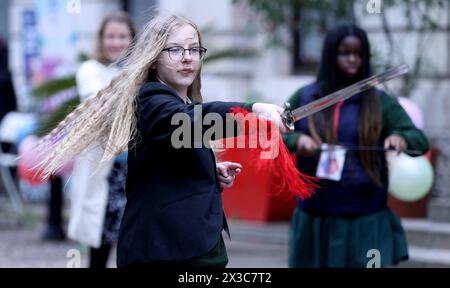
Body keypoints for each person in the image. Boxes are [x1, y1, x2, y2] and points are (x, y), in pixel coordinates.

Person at [35, 13, 285, 267]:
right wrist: (251, 110)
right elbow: (185, 123)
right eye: (175, 50)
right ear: (154, 59)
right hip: (165, 250)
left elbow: (177, 143)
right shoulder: (150, 99)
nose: (187, 57)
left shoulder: (182, 103)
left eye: (194, 49)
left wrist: (210, 169)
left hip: (193, 243)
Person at [283, 24, 429, 268]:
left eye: (359, 53)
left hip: (365, 218)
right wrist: (298, 140)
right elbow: (273, 136)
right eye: (345, 53)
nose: (353, 59)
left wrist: (400, 138)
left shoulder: (380, 102)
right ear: (331, 55)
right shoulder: (305, 97)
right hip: (315, 217)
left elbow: (418, 140)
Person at [69, 11, 136, 267]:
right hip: (105, 169)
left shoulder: (140, 73)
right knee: (101, 237)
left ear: (132, 39)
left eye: (122, 36)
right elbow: (96, 101)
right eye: (110, 36)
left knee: (132, 236)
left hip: (136, 167)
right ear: (101, 39)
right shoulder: (90, 70)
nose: (116, 42)